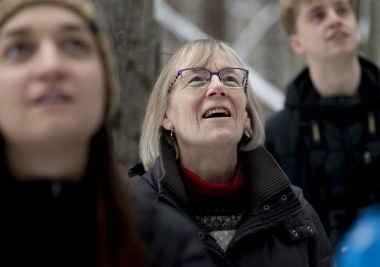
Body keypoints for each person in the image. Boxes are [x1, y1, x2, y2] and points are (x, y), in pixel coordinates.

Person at [0, 1, 213, 266]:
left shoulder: (166, 246)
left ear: (105, 84)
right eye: (19, 47)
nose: (51, 66)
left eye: (73, 44)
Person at [129, 38, 332, 267]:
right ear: (166, 116)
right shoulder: (127, 209)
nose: (218, 88)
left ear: (246, 115)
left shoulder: (296, 212)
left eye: (230, 79)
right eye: (196, 79)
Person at [264, 0, 380, 245]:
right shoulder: (277, 136)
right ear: (297, 42)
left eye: (342, 10)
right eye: (318, 15)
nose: (334, 19)